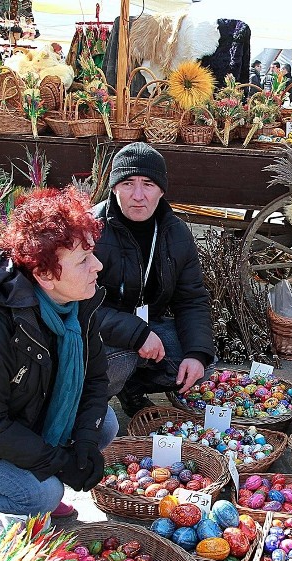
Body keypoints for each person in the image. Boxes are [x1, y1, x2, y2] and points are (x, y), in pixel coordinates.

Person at [0, 188, 119, 547]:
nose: (98, 266)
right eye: (83, 259)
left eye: (92, 253)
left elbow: (94, 380)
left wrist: (86, 444)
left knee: (104, 424)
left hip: (21, 419)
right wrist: (58, 462)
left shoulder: (76, 305)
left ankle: (32, 480)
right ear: (44, 273)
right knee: (40, 494)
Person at [93, 142, 214, 418]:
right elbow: (77, 306)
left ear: (161, 190)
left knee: (202, 364)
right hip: (98, 332)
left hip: (148, 324)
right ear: (113, 187)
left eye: (148, 184)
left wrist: (196, 353)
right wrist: (136, 333)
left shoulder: (176, 233)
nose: (138, 195)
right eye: (127, 183)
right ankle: (88, 409)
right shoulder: (92, 230)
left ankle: (131, 389)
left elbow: (192, 299)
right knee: (119, 360)